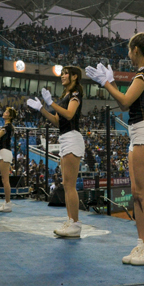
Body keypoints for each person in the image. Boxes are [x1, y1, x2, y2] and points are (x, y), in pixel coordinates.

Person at [86, 31, 144, 266]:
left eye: (129, 50)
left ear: (136, 50)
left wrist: (107, 83)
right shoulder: (143, 74)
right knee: (136, 192)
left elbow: (124, 102)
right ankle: (143, 244)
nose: (128, 55)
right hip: (138, 132)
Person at [27, 66, 85, 238]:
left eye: (66, 73)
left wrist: (51, 103)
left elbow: (69, 114)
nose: (63, 76)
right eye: (62, 73)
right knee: (67, 185)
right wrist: (43, 109)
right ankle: (71, 220)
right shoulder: (65, 96)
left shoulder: (75, 95)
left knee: (70, 185)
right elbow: (58, 121)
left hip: (72, 138)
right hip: (66, 138)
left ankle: (75, 223)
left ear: (75, 76)